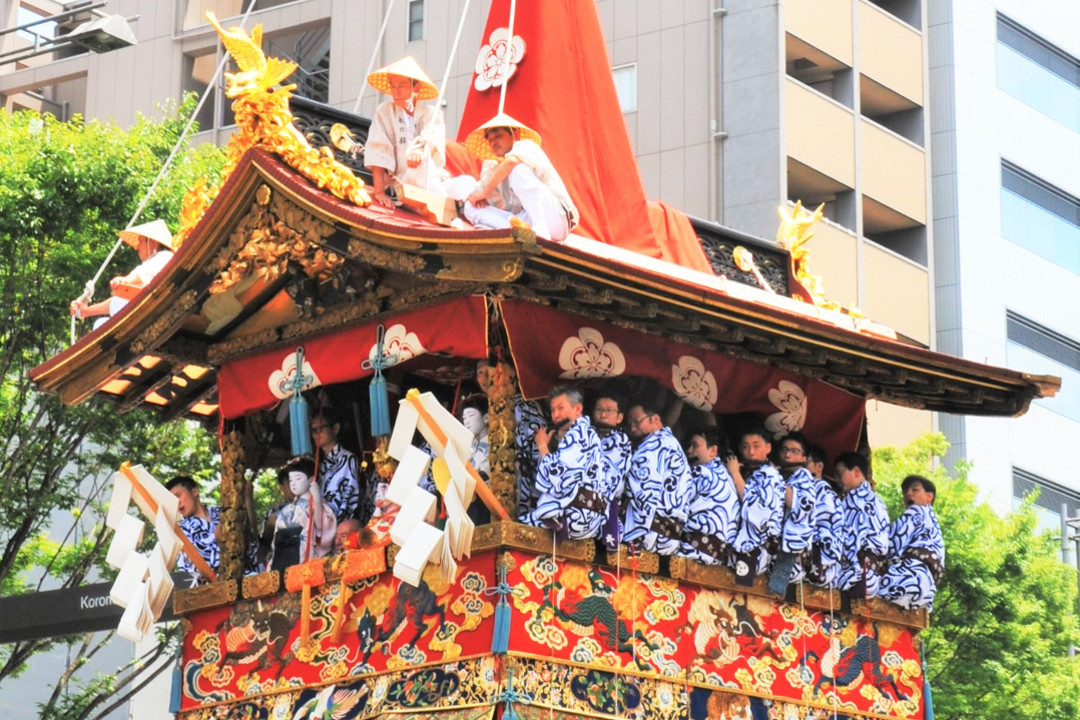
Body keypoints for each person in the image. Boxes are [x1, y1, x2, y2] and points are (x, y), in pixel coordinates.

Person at [462, 112, 579, 241]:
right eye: (490, 140)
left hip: (555, 218)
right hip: (526, 220)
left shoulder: (526, 146)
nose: (493, 143)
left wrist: (485, 193)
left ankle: (540, 228)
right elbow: (475, 195)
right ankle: (515, 230)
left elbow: (511, 161)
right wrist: (476, 197)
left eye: (498, 136)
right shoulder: (493, 169)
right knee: (470, 207)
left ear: (515, 134)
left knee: (518, 171)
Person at [519, 386, 607, 539]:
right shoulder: (588, 434)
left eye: (560, 408)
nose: (556, 415)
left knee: (516, 528)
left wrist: (542, 446)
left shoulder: (578, 434)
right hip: (589, 516)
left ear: (577, 409)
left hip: (575, 515)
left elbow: (560, 478)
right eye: (553, 410)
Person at [363, 56, 447, 208]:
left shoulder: (431, 113)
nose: (396, 91)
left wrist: (419, 149)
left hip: (432, 180)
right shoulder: (385, 111)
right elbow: (378, 150)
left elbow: (432, 137)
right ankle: (442, 207)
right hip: (403, 183)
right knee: (419, 163)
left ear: (416, 88)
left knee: (466, 184)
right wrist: (379, 192)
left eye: (401, 85)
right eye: (393, 86)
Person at [70, 220, 175, 329]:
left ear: (152, 243)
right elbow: (126, 297)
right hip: (147, 309)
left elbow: (137, 276)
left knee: (117, 302)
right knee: (99, 324)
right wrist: (85, 311)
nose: (136, 247)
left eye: (141, 241)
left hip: (155, 310)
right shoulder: (154, 265)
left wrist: (125, 281)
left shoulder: (165, 257)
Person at [622, 405, 692, 555]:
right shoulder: (672, 443)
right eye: (629, 425)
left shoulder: (654, 445)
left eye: (636, 421)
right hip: (670, 537)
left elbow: (645, 492)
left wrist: (636, 534)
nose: (632, 428)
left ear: (655, 419)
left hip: (648, 534)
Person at [776, 433, 841, 587]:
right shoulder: (789, 478)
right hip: (787, 551)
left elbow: (800, 508)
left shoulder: (804, 477)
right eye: (784, 450)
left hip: (794, 552)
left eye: (794, 451)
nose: (787, 455)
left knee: (776, 593)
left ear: (804, 459)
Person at [726, 428, 784, 580]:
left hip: (755, 550)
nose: (751, 452)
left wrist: (735, 474)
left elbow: (758, 510)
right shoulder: (750, 472)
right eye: (745, 447)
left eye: (756, 446)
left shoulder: (770, 475)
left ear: (768, 448)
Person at [879, 475, 945, 610]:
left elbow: (891, 545)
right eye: (905, 492)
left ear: (929, 496)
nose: (908, 494)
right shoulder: (934, 524)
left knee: (864, 583)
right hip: (927, 588)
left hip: (907, 578)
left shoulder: (916, 511)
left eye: (915, 490)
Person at [834, 451, 890, 599]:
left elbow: (848, 541)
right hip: (874, 577)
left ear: (856, 471)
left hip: (857, 575)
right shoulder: (878, 501)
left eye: (839, 474)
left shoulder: (855, 500)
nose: (836, 479)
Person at [679, 427, 739, 565]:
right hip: (719, 557)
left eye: (695, 445)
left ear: (712, 450)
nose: (689, 451)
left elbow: (677, 504)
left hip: (692, 550)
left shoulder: (700, 471)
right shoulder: (729, 477)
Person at [266, 457, 336, 573]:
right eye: (291, 480)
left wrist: (317, 499)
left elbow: (319, 529)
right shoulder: (286, 509)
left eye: (298, 479)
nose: (293, 484)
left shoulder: (318, 505)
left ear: (311, 480)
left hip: (303, 555)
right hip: (282, 556)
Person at [311, 407, 372, 525]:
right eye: (313, 430)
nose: (315, 434)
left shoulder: (347, 458)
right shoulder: (320, 462)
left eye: (320, 428)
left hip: (337, 525)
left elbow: (347, 498)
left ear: (335, 428)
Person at [592, 394, 632, 551]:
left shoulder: (621, 441)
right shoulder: (586, 435)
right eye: (599, 410)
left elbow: (611, 481)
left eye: (609, 410)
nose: (602, 415)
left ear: (619, 417)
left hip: (605, 506)